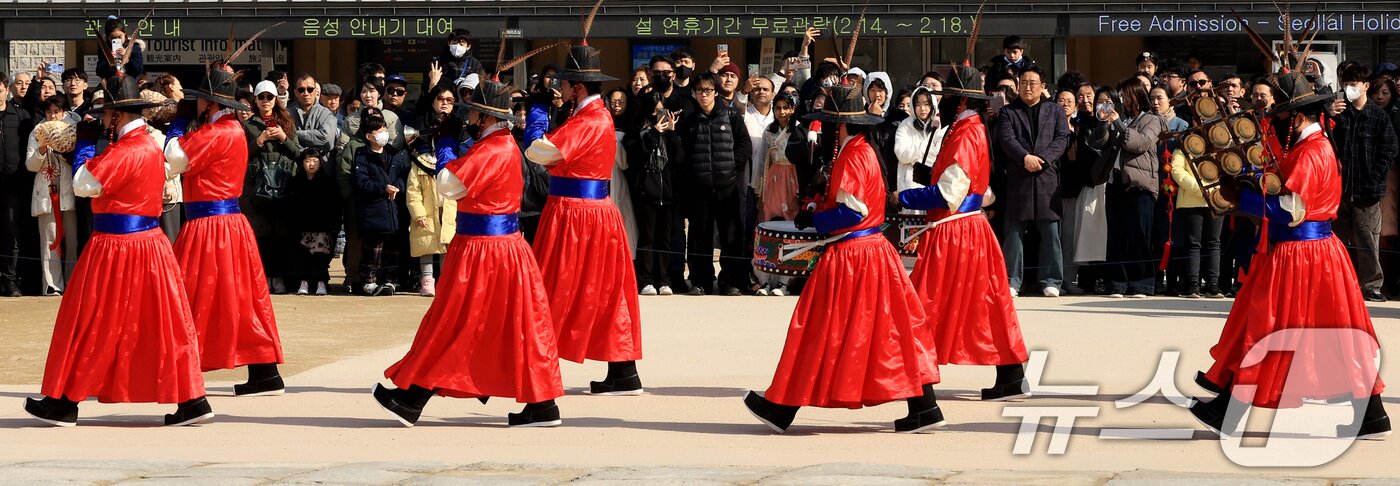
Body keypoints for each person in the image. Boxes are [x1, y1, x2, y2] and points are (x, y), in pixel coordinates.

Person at [1190, 71, 1391, 441]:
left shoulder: (1311, 152)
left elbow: (1290, 210)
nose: (1276, 121)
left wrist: (1243, 198)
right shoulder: (1313, 146)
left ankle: (1227, 411)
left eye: (1280, 115)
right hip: (1312, 253)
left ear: (1296, 117)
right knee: (1332, 334)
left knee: (1267, 328)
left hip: (1300, 254)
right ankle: (1372, 416)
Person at [743, 82, 942, 434]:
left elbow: (853, 212)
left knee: (817, 327)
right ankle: (924, 406)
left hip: (853, 256)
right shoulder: (863, 150)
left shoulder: (853, 155)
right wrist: (816, 206)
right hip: (873, 253)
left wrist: (815, 220)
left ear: (840, 124)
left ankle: (782, 408)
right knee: (894, 329)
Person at [374, 76, 564, 428]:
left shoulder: (493, 149)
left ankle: (412, 397)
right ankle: (541, 403)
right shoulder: (497, 145)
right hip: (497, 249)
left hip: (484, 252)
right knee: (506, 325)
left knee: (454, 322)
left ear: (486, 117)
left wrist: (446, 145)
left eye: (473, 113)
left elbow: (449, 185)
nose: (468, 119)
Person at [23, 74, 211, 427]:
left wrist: (83, 147)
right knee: (164, 322)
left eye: (107, 114)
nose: (104, 120)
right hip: (148, 245)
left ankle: (64, 401)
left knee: (89, 320)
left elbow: (84, 184)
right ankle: (192, 399)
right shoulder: (146, 144)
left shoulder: (126, 149)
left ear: (116, 116)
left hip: (116, 247)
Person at [898, 62, 1031, 402]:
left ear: (959, 101)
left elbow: (948, 194)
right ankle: (1011, 374)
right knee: (987, 303)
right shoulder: (969, 129)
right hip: (969, 229)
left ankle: (920, 393)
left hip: (955, 232)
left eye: (946, 97)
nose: (939, 103)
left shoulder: (965, 133)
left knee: (924, 305)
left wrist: (904, 197)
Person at [524, 39, 644, 395]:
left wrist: (536, 114)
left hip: (576, 216)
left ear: (576, 87)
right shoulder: (593, 115)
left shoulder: (589, 119)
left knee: (551, 288)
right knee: (606, 291)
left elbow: (540, 152)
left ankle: (536, 374)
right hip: (589, 213)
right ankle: (623, 370)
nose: (559, 90)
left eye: (562, 84)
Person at [164, 70, 286, 396]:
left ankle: (178, 369)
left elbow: (174, 159)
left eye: (198, 99)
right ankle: (264, 371)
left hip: (209, 228)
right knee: (242, 299)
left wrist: (177, 124)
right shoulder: (230, 128)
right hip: (226, 224)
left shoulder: (216, 132)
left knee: (184, 297)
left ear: (209, 103)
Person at [995, 65, 1072, 297]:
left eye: (1033, 83)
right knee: (1014, 231)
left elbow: (1062, 138)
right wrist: (1024, 158)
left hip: (1047, 177)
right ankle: (1012, 280)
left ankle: (1051, 280)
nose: (1028, 87)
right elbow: (1006, 139)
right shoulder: (1008, 112)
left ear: (1043, 86)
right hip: (1019, 177)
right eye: (1024, 83)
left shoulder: (1055, 110)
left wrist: (1043, 159)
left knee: (1050, 231)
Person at [677, 73, 751, 296]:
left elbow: (744, 144)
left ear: (716, 92)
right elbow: (683, 153)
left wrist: (734, 166)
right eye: (699, 90)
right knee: (699, 237)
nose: (704, 95)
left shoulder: (731, 115)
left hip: (728, 187)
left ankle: (730, 281)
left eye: (708, 90)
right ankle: (701, 281)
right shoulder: (689, 121)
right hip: (700, 189)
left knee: (731, 236)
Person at [1090, 78, 1166, 298]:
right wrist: (1103, 122)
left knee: (1139, 236)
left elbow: (1139, 143)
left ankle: (1142, 283)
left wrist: (1118, 124)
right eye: (1121, 96)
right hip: (1115, 182)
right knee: (1116, 236)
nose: (1122, 100)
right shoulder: (1121, 118)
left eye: (1126, 95)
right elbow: (1099, 142)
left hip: (1139, 185)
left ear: (1137, 95)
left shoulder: (1152, 119)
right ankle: (1117, 283)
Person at [1331, 61, 1398, 302]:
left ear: (1365, 86)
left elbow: (1390, 148)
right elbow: (1326, 142)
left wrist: (1375, 176)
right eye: (1346, 84)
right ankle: (1337, 283)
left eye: (1354, 84)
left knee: (1368, 239)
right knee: (1337, 239)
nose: (1349, 88)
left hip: (1368, 191)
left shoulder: (1378, 116)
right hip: (1339, 189)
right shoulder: (1339, 114)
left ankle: (1371, 286)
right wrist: (1329, 116)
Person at [753, 92, 811, 297]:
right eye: (778, 108)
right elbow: (762, 160)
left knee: (791, 226)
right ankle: (765, 278)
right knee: (768, 225)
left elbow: (805, 163)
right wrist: (758, 188)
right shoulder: (770, 131)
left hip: (793, 179)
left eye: (786, 107)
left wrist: (801, 191)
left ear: (793, 109)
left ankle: (785, 281)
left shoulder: (800, 131)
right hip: (773, 178)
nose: (782, 112)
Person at [25, 95, 77, 296]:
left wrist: (62, 149)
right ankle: (52, 284)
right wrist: (41, 149)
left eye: (57, 111)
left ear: (64, 112)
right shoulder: (37, 131)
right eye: (49, 112)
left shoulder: (73, 128)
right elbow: (30, 165)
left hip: (69, 190)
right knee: (49, 240)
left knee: (72, 240)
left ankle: (73, 282)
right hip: (47, 192)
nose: (53, 115)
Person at [352, 114, 409, 296]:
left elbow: (403, 175)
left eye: (384, 128)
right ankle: (369, 281)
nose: (384, 132)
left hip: (393, 210)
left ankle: (390, 280)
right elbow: (361, 182)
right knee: (372, 251)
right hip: (372, 211)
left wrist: (398, 187)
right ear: (369, 136)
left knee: (392, 249)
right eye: (379, 130)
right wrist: (383, 188)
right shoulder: (362, 155)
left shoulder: (394, 153)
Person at [405, 103, 458, 297]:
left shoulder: (452, 161)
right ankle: (427, 281)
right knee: (426, 247)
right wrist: (418, 214)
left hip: (449, 211)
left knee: (447, 246)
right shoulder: (419, 163)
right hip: (426, 212)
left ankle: (445, 281)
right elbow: (413, 192)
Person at [630, 101, 680, 297]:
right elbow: (638, 157)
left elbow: (679, 159)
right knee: (647, 238)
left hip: (667, 194)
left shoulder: (669, 135)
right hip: (646, 194)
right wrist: (654, 133)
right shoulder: (640, 133)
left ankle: (664, 280)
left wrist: (672, 133)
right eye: (656, 110)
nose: (659, 114)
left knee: (665, 239)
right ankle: (646, 280)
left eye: (662, 110)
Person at [0, 73, 36, 297]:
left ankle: (10, 280)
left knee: (12, 233)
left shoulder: (20, 115)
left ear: (6, 90)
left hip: (13, 185)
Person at [288, 148, 340, 296]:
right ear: (302, 163)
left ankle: (321, 282)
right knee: (303, 255)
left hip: (322, 227)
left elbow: (335, 206)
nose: (311, 164)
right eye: (308, 161)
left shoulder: (328, 182)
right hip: (302, 226)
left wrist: (333, 226)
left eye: (315, 161)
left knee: (321, 257)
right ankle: (303, 282)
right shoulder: (296, 182)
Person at [605, 88, 639, 258]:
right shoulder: (603, 122)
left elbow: (625, 162)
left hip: (620, 178)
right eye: (613, 101)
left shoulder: (631, 125)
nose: (616, 105)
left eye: (621, 102)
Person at [290, 73, 338, 154]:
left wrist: (296, 134)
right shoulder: (287, 114)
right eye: (301, 90)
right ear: (295, 92)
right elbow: (285, 140)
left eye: (310, 89)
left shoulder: (327, 114)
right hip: (295, 160)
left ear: (316, 91)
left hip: (321, 160)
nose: (306, 93)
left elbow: (326, 139)